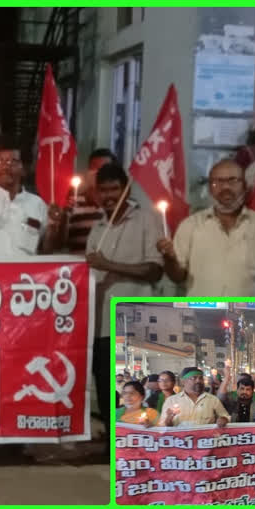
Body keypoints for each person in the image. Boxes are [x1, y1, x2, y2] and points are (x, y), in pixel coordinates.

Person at [85, 162, 163, 440]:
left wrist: (110, 265)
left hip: (133, 323)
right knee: (107, 389)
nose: (108, 196)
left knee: (133, 389)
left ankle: (137, 443)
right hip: (101, 323)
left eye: (114, 190)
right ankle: (112, 445)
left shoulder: (146, 220)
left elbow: (154, 269)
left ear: (125, 190)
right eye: (103, 190)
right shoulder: (97, 228)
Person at [158, 159, 255, 296]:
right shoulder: (190, 225)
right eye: (217, 182)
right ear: (210, 187)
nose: (225, 188)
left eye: (233, 181)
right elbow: (177, 277)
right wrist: (170, 260)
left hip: (246, 314)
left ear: (245, 185)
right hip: (200, 313)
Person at [63, 148, 116, 254]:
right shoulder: (73, 203)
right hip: (79, 266)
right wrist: (64, 217)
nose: (99, 174)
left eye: (104, 169)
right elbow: (60, 243)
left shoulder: (123, 206)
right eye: (94, 169)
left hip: (111, 267)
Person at [159, 368, 230, 427]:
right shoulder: (171, 400)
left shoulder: (212, 400)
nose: (198, 381)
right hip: (180, 442)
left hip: (204, 441)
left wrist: (223, 419)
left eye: (200, 378)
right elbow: (162, 426)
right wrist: (169, 419)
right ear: (183, 381)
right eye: (193, 378)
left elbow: (226, 416)